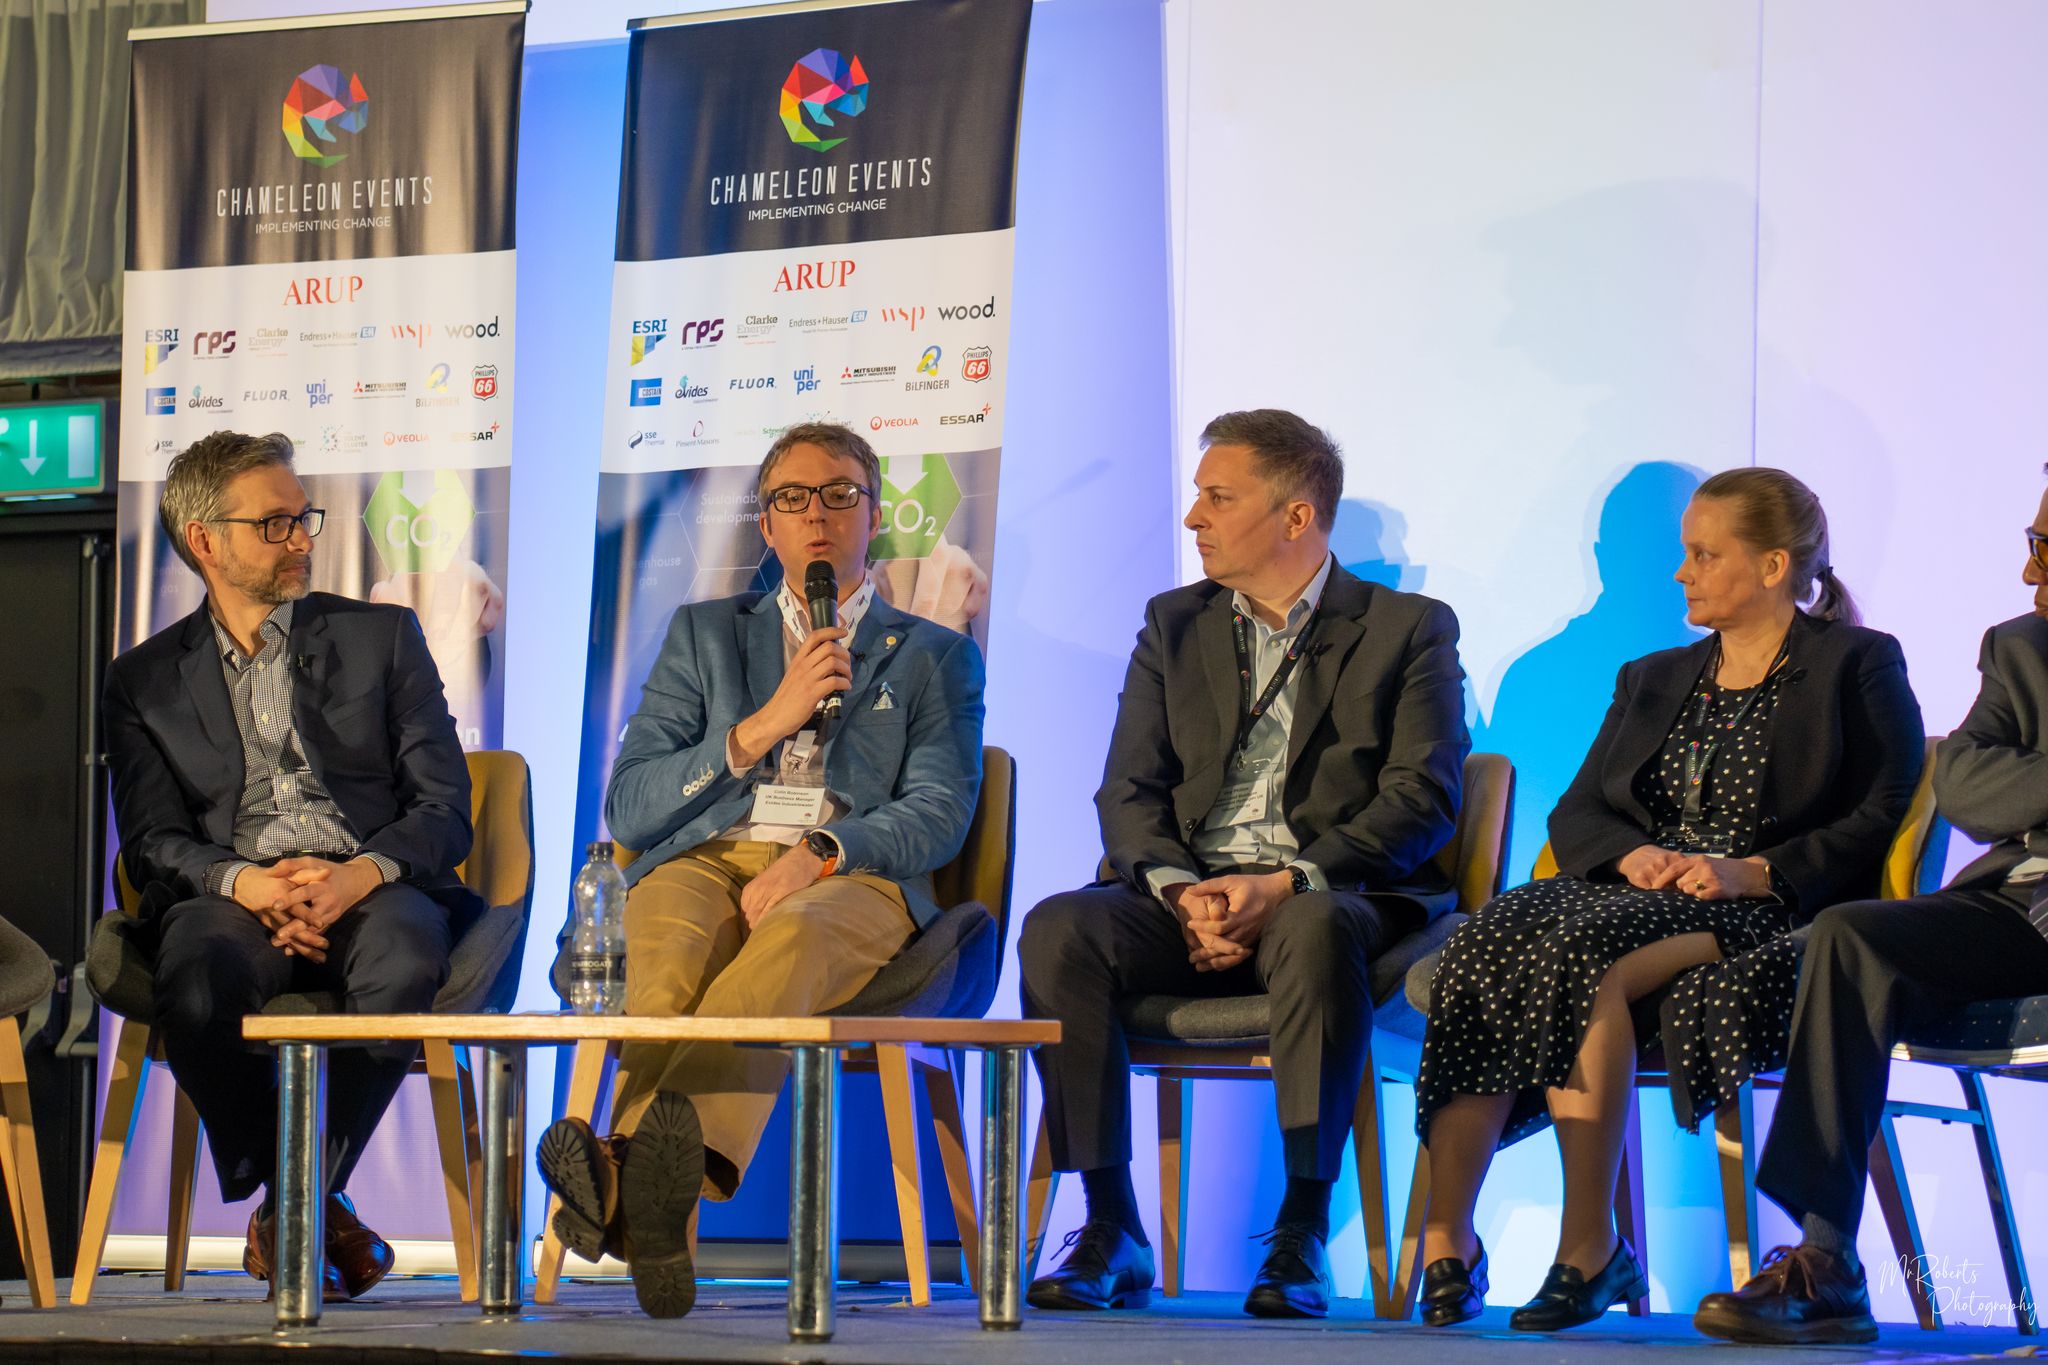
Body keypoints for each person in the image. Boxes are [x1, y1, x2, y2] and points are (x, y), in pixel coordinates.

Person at [1411, 467, 1924, 1332]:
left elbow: (1884, 808)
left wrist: (1758, 870)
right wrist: (1631, 852)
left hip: (1767, 907)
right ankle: (1447, 1240)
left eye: (1702, 554)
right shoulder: (1652, 675)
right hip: (1635, 894)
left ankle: (1589, 1245)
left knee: (1577, 955)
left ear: (1773, 565)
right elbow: (1579, 808)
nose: (1681, 572)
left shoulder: (1856, 663)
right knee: (1484, 934)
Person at [1019, 409, 1470, 1319]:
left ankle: (1301, 1231)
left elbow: (1421, 799)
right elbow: (1128, 789)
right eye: (1199, 496)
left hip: (1333, 895)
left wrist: (1287, 881)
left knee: (1311, 923)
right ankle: (1111, 1223)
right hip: (1188, 898)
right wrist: (1182, 892)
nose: (1194, 516)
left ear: (1296, 516)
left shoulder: (1406, 628)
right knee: (1060, 926)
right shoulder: (1174, 623)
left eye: (1218, 497)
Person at [537, 422, 986, 1319]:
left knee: (794, 939)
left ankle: (621, 1171)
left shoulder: (935, 654)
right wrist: (762, 724)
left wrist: (822, 853)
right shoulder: (703, 634)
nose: (816, 515)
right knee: (662, 944)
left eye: (840, 494)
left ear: (874, 516)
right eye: (792, 498)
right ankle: (654, 1202)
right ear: (767, 524)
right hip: (708, 854)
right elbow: (632, 805)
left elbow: (939, 811)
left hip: (852, 874)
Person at [104, 431, 480, 1302]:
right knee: (197, 980)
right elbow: (152, 836)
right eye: (274, 523)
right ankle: (311, 1202)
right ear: (205, 540)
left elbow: (445, 806)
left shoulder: (382, 636)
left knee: (404, 959)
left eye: (303, 517)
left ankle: (291, 1209)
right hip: (234, 892)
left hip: (371, 883)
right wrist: (245, 882)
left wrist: (358, 874)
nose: (302, 537)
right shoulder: (143, 680)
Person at [1692, 474, 2048, 1345]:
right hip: (2021, 904)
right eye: (2031, 545)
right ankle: (1827, 1261)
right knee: (1850, 933)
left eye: (2045, 549)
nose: (2030, 573)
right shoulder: (2021, 648)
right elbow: (1967, 784)